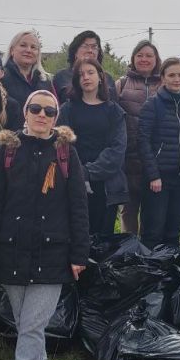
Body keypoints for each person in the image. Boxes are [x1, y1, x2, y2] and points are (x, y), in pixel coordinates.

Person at [0, 89, 89, 360]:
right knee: (30, 326)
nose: (42, 115)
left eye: (49, 111)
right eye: (36, 109)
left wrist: (79, 253)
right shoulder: (9, 150)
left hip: (53, 253)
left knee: (30, 324)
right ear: (24, 112)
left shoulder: (66, 152)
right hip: (11, 251)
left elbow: (78, 207)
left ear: (56, 117)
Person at [58, 59, 127, 235]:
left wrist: (89, 171)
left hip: (106, 186)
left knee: (102, 241)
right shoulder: (67, 110)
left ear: (100, 77)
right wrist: (78, 171)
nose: (86, 77)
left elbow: (117, 149)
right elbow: (61, 146)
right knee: (75, 237)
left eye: (90, 72)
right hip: (74, 183)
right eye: (81, 74)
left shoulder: (114, 111)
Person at [138, 57, 180, 248]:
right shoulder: (152, 105)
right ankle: (150, 265)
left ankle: (169, 265)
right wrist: (153, 175)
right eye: (172, 75)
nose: (177, 79)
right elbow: (143, 141)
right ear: (163, 78)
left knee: (174, 230)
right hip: (159, 179)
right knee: (153, 230)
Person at [116, 39, 162, 234]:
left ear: (156, 59)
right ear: (133, 58)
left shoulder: (164, 84)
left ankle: (148, 251)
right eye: (140, 55)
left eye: (149, 55)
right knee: (128, 211)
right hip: (128, 159)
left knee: (152, 213)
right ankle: (129, 249)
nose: (144, 59)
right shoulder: (121, 84)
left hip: (156, 160)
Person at [53, 30, 118, 101]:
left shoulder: (107, 78)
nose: (90, 50)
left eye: (94, 47)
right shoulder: (61, 77)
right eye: (85, 46)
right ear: (75, 52)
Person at [1, 29, 55, 108]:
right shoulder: (1, 77)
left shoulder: (46, 81)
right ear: (12, 50)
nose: (29, 50)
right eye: (23, 45)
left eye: (33, 47)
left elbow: (54, 109)